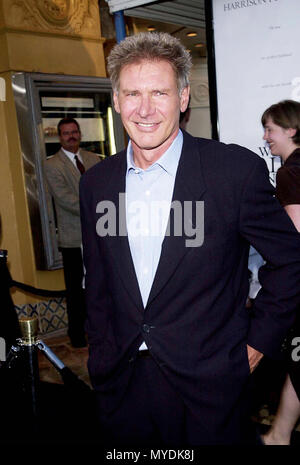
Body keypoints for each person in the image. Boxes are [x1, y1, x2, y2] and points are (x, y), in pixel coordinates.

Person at [79, 32, 300, 445]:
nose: (145, 109)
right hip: (121, 383)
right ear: (115, 99)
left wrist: (257, 343)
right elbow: (100, 280)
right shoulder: (97, 183)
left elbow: (292, 260)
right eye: (132, 94)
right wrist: (99, 351)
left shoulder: (231, 172)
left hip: (210, 386)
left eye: (159, 93)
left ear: (182, 99)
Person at [260, 100, 300, 445]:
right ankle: (279, 434)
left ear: (290, 130)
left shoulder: (289, 172)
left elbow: (294, 237)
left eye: (270, 128)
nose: (265, 136)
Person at [45, 117, 100, 348]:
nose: (71, 136)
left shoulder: (93, 159)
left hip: (98, 236)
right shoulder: (52, 165)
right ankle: (76, 335)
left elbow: (104, 188)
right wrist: (100, 208)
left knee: (98, 286)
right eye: (66, 133)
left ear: (80, 134)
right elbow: (65, 199)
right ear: (60, 137)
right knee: (76, 291)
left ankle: (98, 330)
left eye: (75, 132)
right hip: (72, 239)